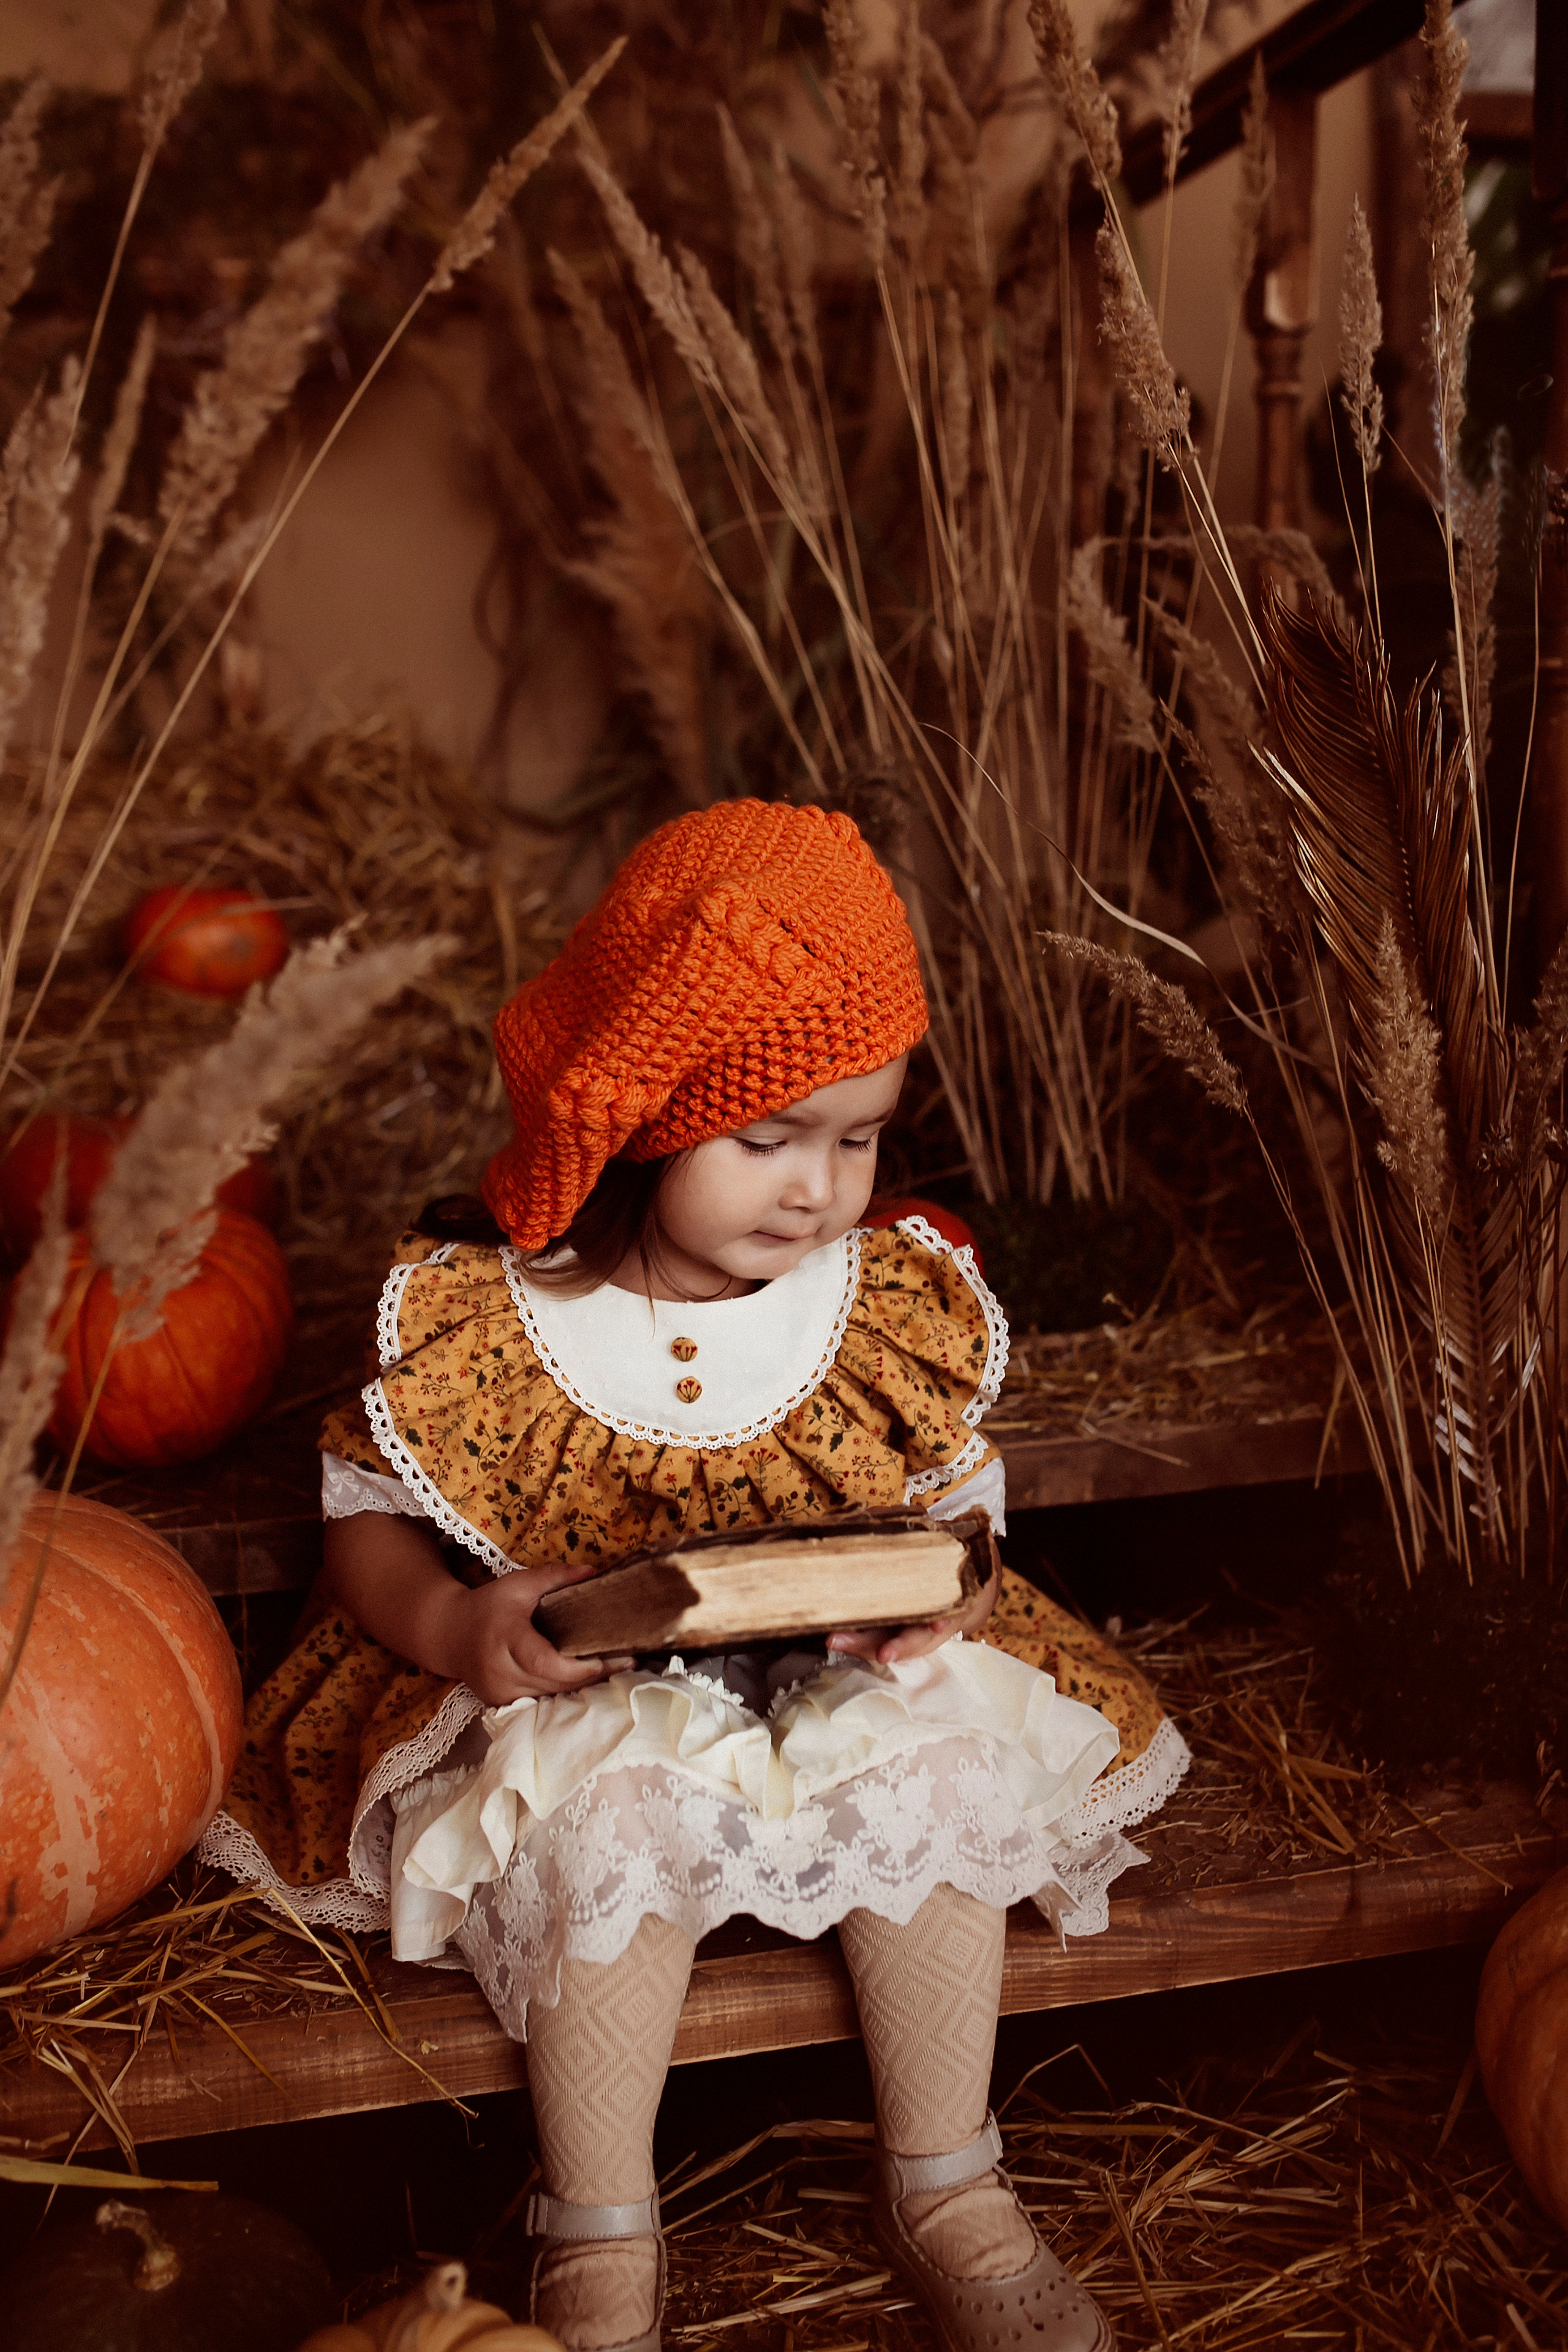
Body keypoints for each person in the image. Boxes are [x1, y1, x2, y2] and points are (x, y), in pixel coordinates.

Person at [201, 801, 1189, 2352]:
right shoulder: (500, 1314)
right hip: (595, 1692)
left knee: (931, 1777)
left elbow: (959, 1517)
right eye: (766, 1138)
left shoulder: (879, 1304)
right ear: (645, 1118)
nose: (814, 1190)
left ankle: (947, 2179)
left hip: (836, 1675)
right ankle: (599, 2229)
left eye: (855, 1138)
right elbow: (364, 1527)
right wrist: (459, 1619)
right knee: (609, 1817)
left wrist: (947, 1593)